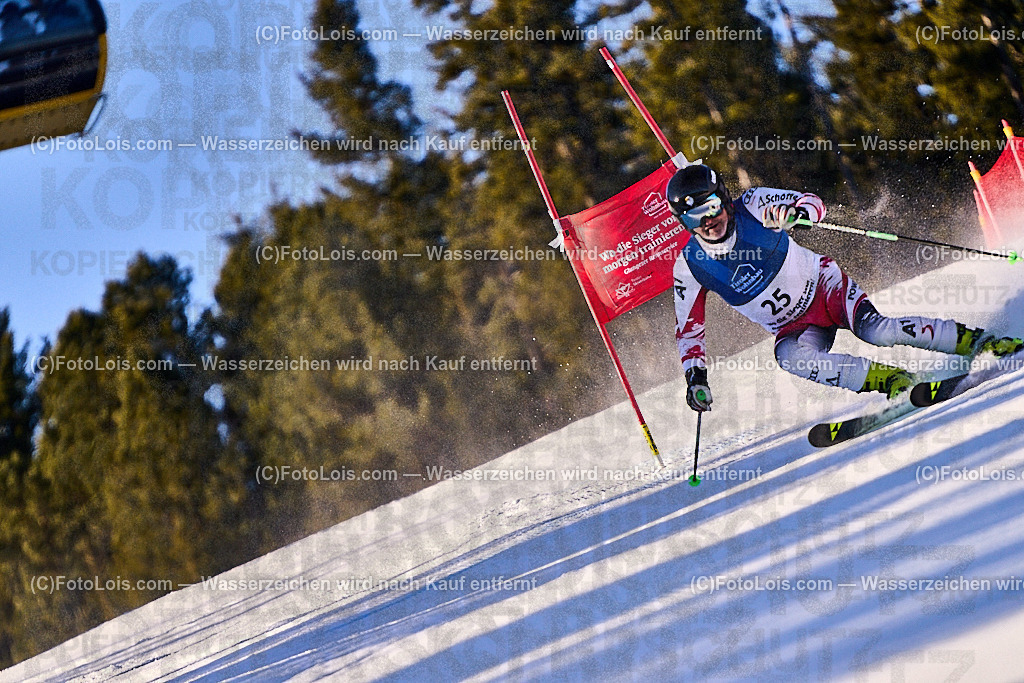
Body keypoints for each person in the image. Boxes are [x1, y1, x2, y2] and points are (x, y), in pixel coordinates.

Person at [666, 163, 1023, 412]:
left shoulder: (754, 204)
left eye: (711, 207)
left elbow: (810, 201)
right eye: (693, 216)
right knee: (789, 358)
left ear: (724, 198)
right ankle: (893, 380)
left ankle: (982, 342)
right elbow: (690, 331)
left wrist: (800, 214)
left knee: (877, 331)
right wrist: (695, 375)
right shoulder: (690, 266)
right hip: (794, 327)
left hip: (824, 288)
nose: (708, 221)